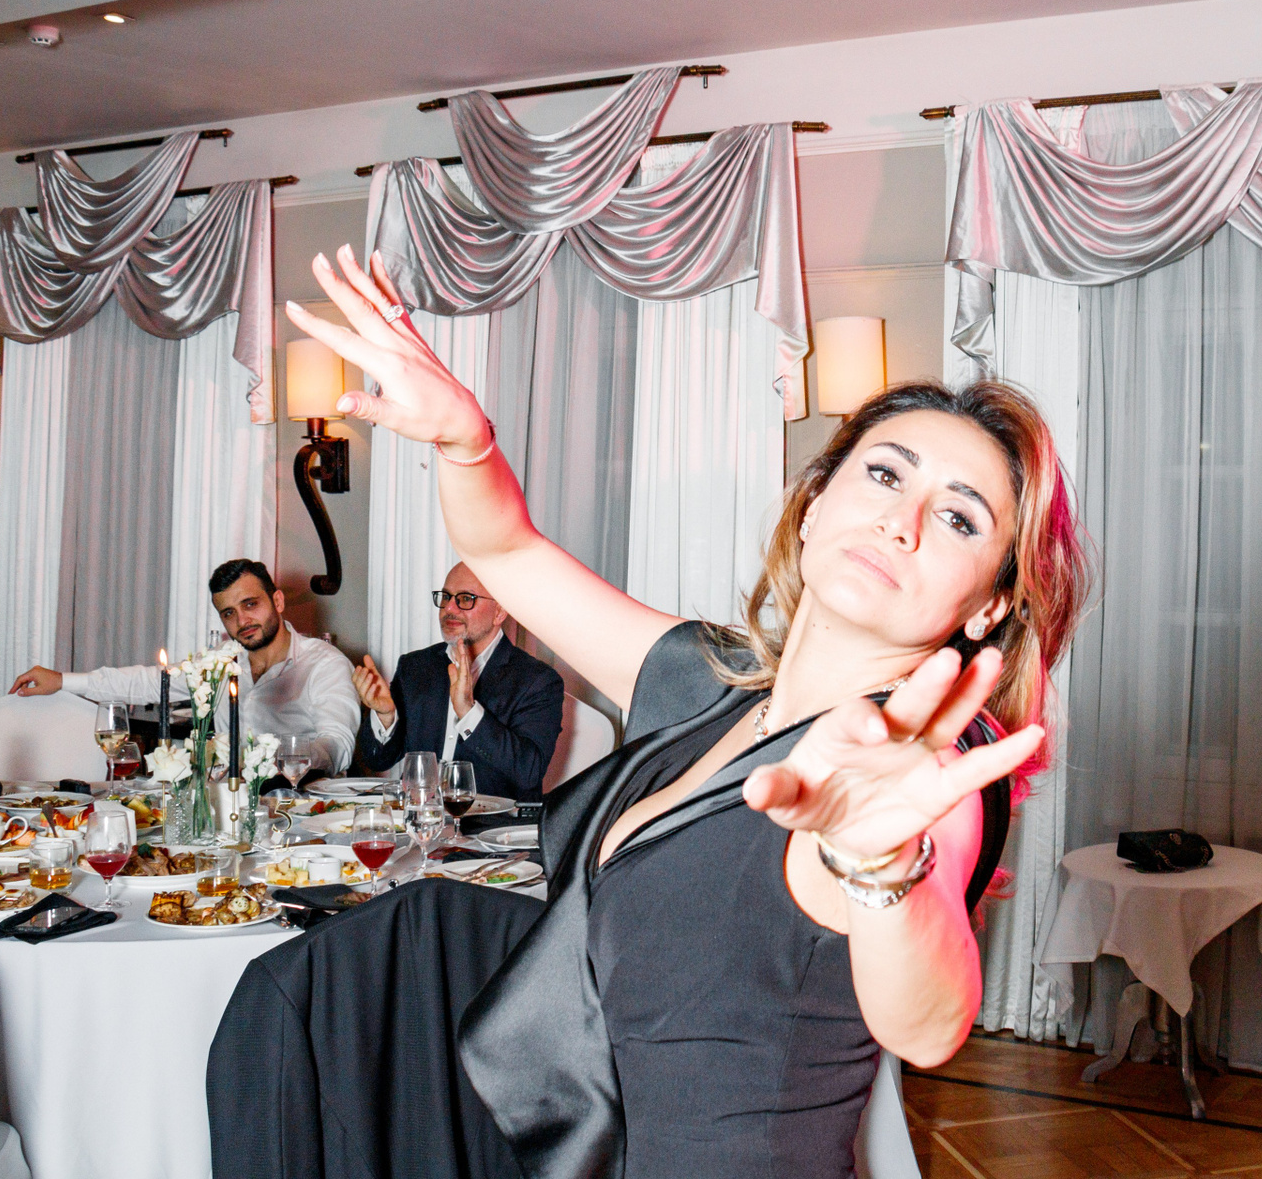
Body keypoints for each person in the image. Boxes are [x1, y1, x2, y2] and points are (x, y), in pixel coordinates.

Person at [288, 246, 1085, 1179]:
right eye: (884, 475)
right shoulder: (712, 682)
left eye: (959, 519)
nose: (901, 522)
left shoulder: (917, 764)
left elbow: (931, 1024)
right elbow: (504, 551)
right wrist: (466, 442)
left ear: (991, 604)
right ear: (816, 503)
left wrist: (881, 868)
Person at [8, 559, 363, 773]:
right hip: (228, 804)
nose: (242, 621)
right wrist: (62, 680)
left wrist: (288, 756)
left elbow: (338, 746)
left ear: (278, 601)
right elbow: (150, 683)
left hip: (300, 809)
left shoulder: (324, 664)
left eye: (250, 604)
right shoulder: (222, 661)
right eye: (229, 613)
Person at [352, 562, 565, 800]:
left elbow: (529, 771)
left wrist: (469, 713)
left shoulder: (537, 681)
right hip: (420, 815)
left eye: (465, 599)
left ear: (499, 612)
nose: (449, 608)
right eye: (445, 597)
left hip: (490, 821)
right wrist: (385, 717)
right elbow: (377, 760)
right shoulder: (415, 667)